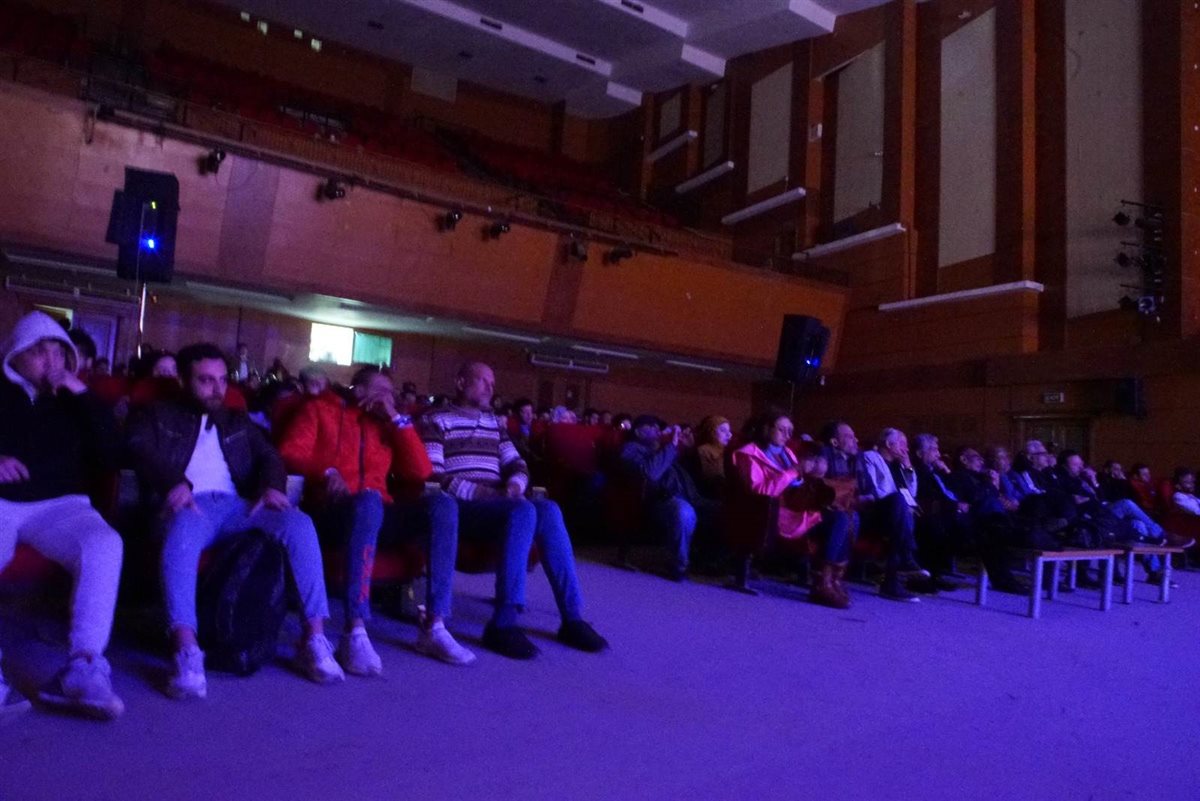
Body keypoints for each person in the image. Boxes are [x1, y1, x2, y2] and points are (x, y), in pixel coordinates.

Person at [127, 343, 343, 699]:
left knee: (299, 523)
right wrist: (171, 483)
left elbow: (270, 456)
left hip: (236, 506)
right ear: (183, 381)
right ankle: (185, 648)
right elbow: (137, 446)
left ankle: (313, 639)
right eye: (205, 380)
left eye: (222, 380)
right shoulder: (156, 414)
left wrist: (271, 487)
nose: (217, 389)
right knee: (182, 530)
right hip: (189, 505)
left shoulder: (237, 421)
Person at [280, 365, 474, 671]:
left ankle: (434, 625)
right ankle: (354, 630)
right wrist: (326, 472)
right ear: (358, 390)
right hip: (331, 509)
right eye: (380, 392)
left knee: (442, 505)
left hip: (378, 511)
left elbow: (421, 472)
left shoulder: (387, 425)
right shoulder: (320, 410)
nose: (387, 398)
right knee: (369, 502)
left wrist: (396, 419)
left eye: (390, 394)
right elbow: (289, 452)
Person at [419, 362, 607, 660]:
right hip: (462, 508)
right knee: (522, 511)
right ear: (460, 382)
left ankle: (572, 618)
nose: (490, 388)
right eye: (482, 381)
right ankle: (503, 622)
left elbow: (517, 464)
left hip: (501, 503)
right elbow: (434, 475)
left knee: (548, 509)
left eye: (492, 382)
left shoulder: (494, 423)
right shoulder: (436, 418)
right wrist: (488, 494)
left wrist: (515, 485)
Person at [0, 311, 125, 719]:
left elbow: (112, 454)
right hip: (2, 501)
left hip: (61, 504)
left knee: (104, 544)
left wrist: (82, 395)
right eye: (39, 352)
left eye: (59, 352)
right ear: (16, 354)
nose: (51, 361)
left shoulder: (77, 400)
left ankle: (83, 666)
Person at [732, 412, 852, 609]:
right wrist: (795, 470)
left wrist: (813, 471)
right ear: (766, 428)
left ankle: (831, 579)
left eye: (790, 431)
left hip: (796, 507)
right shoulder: (748, 453)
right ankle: (823, 582)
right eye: (782, 430)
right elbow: (761, 491)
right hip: (771, 512)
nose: (787, 435)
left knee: (844, 516)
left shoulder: (786, 452)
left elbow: (798, 484)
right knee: (838, 520)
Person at [619, 415, 710, 581]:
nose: (657, 429)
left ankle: (714, 563)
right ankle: (679, 567)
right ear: (638, 432)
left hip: (691, 497)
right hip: (660, 501)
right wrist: (672, 445)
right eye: (651, 426)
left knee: (726, 511)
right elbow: (650, 473)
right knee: (683, 512)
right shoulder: (631, 448)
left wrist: (688, 448)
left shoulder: (663, 449)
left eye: (658, 426)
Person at [857, 428, 927, 602]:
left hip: (895, 514)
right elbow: (871, 489)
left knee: (907, 511)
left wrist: (908, 467)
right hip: (873, 510)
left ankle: (893, 581)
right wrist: (900, 504)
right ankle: (906, 559)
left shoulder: (898, 466)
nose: (906, 449)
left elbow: (912, 493)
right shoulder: (870, 457)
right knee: (898, 501)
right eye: (902, 444)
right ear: (889, 444)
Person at [693, 415, 732, 495]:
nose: (729, 434)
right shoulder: (704, 451)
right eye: (723, 431)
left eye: (729, 431)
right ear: (711, 432)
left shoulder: (727, 452)